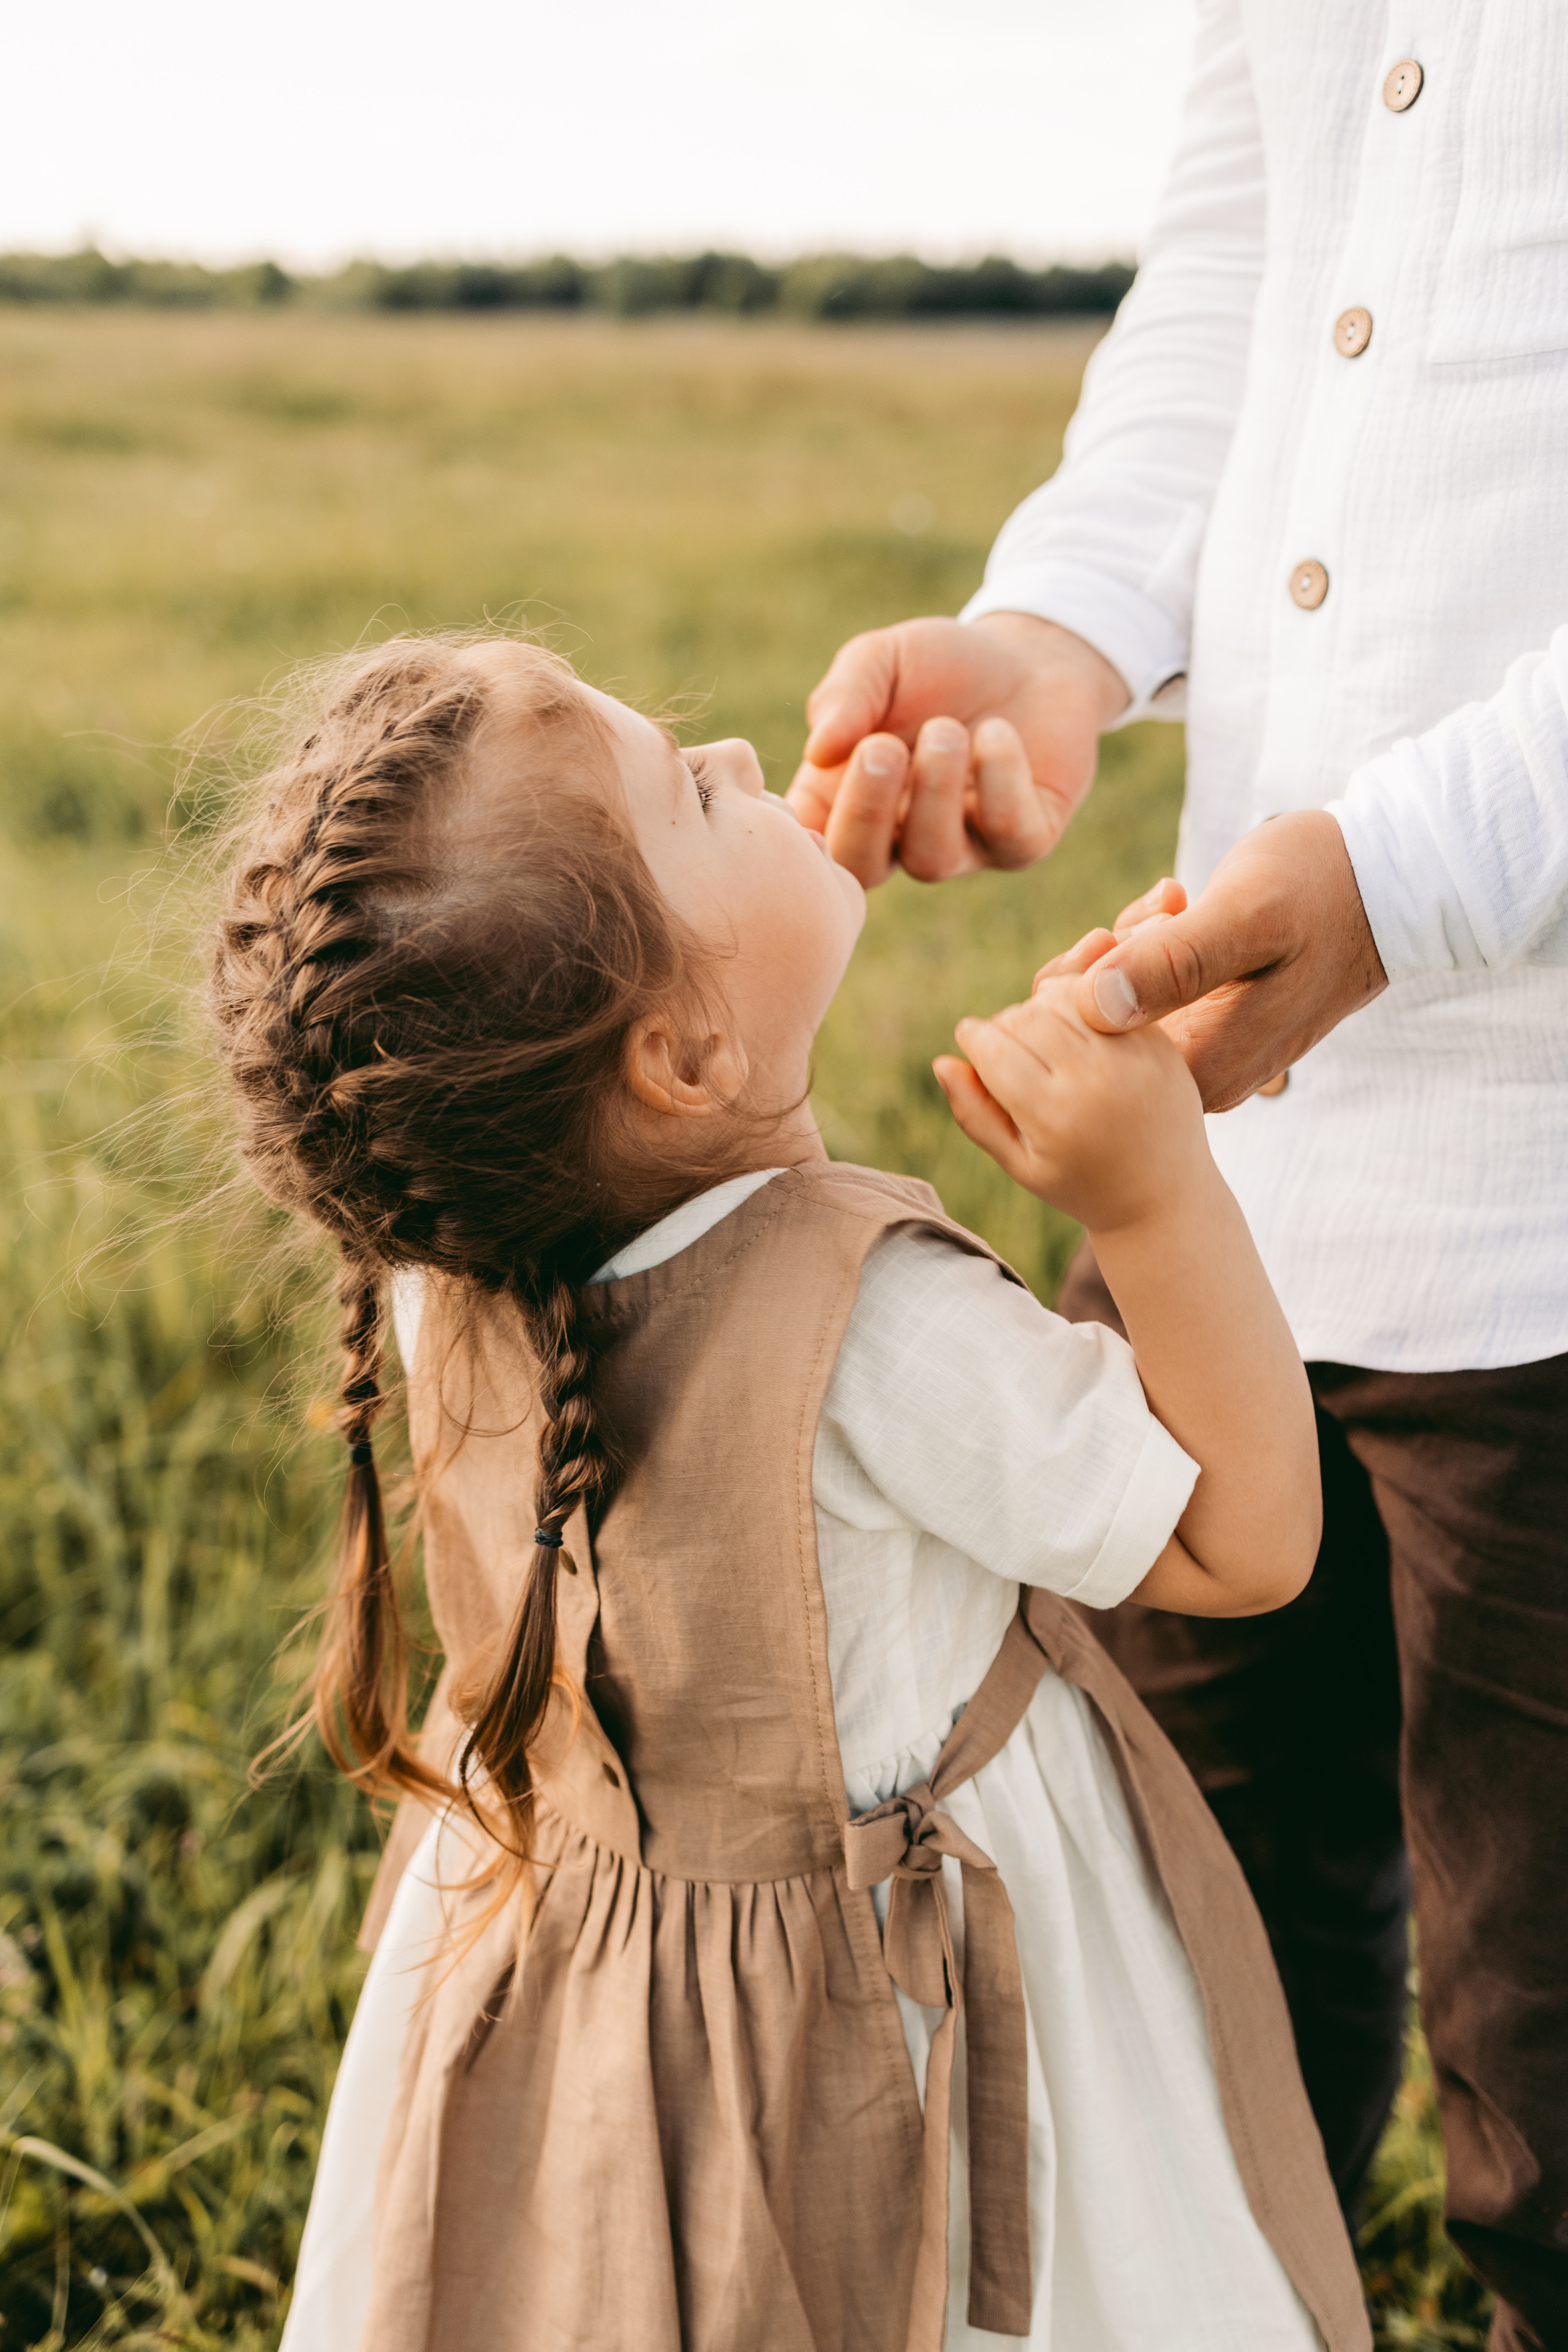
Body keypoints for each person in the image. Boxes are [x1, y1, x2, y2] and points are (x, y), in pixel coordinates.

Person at [209, 631, 1368, 2351]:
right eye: (692, 790)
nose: (750, 755)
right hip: (892, 2038)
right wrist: (1154, 1195)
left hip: (594, 1998)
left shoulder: (443, 1272)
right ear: (678, 1055)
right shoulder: (881, 1334)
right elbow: (1246, 1539)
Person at [786, 9, 1568, 2350]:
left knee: (1551, 2051)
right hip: (1241, 1188)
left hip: (1548, 1229)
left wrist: (1406, 876)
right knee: (1186, 1960)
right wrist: (1049, 643)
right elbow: (1222, 318)